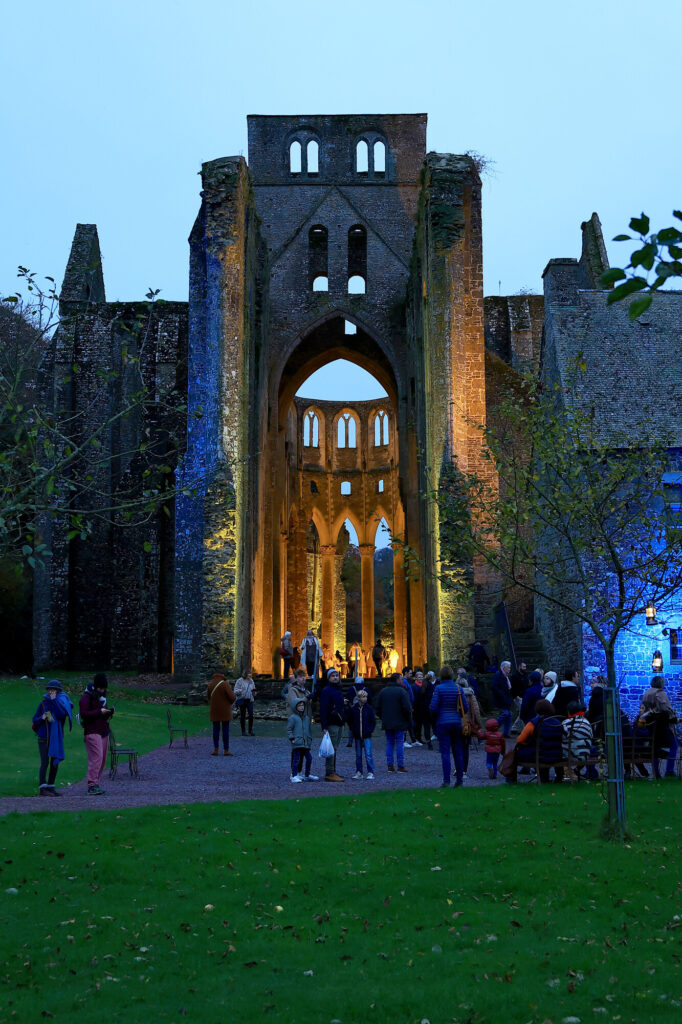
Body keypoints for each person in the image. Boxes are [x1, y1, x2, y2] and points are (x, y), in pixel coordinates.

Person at [430, 665, 469, 787]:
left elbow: (433, 708)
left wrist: (437, 717)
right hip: (456, 722)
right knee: (458, 752)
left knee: (445, 752)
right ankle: (459, 780)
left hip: (442, 722)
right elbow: (465, 707)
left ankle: (446, 781)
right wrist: (457, 714)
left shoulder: (438, 688)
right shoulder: (458, 688)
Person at [32, 679, 72, 796]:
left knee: (55, 762)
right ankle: (43, 788)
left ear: (58, 691)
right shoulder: (43, 703)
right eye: (49, 689)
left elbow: (60, 715)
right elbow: (34, 720)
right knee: (45, 762)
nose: (51, 692)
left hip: (56, 738)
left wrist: (54, 701)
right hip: (43, 737)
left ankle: (51, 787)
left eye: (53, 690)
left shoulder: (61, 702)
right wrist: (42, 718)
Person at [79, 672, 114, 795]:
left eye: (104, 688)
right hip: (92, 731)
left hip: (104, 730)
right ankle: (92, 784)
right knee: (96, 757)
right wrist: (100, 712)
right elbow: (84, 714)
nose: (102, 691)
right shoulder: (86, 697)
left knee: (102, 759)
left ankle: (95, 783)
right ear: (96, 686)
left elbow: (103, 713)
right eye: (100, 688)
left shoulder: (102, 699)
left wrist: (109, 714)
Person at [638, 675, 679, 778]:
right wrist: (674, 718)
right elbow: (665, 709)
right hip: (662, 726)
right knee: (674, 746)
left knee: (654, 749)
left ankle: (656, 772)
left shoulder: (647, 693)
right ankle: (669, 770)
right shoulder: (660, 693)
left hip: (650, 726)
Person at [376, 672, 412, 773]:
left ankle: (390, 765)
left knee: (390, 743)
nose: (402, 680)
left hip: (388, 722)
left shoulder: (383, 691)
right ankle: (400, 765)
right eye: (401, 679)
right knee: (399, 743)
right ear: (397, 680)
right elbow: (407, 708)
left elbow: (377, 708)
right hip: (400, 722)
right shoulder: (401, 691)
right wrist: (407, 719)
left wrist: (383, 717)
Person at [319, 669, 346, 781]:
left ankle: (333, 770)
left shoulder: (338, 690)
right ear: (328, 678)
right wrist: (324, 726)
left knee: (335, 748)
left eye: (337, 675)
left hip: (339, 722)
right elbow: (323, 709)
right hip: (332, 722)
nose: (335, 677)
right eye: (333, 676)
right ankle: (330, 772)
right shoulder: (326, 691)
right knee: (331, 748)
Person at [562, 700, 598, 779]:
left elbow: (561, 738)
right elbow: (591, 736)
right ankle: (574, 771)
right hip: (584, 755)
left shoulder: (566, 723)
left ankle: (562, 774)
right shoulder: (586, 723)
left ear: (569, 712)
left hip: (568, 755)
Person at [287, 698, 318, 782]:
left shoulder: (307, 718)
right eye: (299, 706)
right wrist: (292, 738)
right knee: (296, 760)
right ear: (295, 707)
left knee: (309, 758)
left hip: (305, 743)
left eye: (302, 705)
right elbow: (289, 729)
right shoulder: (293, 718)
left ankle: (307, 775)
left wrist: (309, 739)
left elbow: (309, 730)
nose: (301, 707)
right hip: (297, 742)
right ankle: (294, 775)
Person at [348, 689, 376, 779]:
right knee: (358, 755)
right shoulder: (354, 709)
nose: (365, 698)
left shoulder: (369, 709)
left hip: (366, 734)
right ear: (359, 698)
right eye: (363, 697)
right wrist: (353, 729)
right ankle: (359, 771)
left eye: (366, 697)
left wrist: (370, 730)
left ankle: (370, 772)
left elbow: (373, 721)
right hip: (357, 735)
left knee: (368, 754)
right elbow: (350, 720)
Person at [206, 671, 235, 756]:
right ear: (223, 675)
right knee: (225, 730)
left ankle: (216, 749)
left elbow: (209, 697)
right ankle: (226, 750)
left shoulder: (210, 684)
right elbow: (232, 697)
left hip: (214, 710)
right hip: (225, 710)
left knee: (215, 730)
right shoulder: (225, 684)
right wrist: (228, 703)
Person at [491, 660, 513, 737]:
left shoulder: (506, 676)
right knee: (505, 713)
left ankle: (506, 733)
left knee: (509, 714)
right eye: (508, 667)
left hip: (507, 698)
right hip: (501, 699)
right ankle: (493, 729)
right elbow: (494, 687)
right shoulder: (498, 675)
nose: (509, 669)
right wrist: (502, 695)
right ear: (504, 668)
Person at [233, 668, 257, 736]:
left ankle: (250, 730)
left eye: (250, 674)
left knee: (251, 715)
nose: (250, 675)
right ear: (245, 674)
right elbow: (235, 691)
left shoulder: (251, 681)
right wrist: (240, 691)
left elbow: (253, 689)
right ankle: (243, 731)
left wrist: (254, 692)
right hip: (242, 700)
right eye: (249, 674)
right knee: (243, 715)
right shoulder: (239, 681)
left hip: (250, 700)